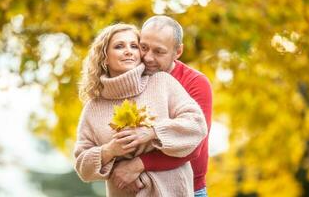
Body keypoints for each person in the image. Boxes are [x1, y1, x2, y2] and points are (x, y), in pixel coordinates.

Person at [73, 23, 208, 197]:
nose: (128, 51)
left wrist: (152, 132)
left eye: (134, 46)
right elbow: (82, 166)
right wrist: (109, 150)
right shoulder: (93, 108)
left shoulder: (162, 82)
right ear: (104, 57)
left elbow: (196, 125)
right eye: (119, 46)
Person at [110, 16, 213, 197]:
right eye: (144, 48)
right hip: (139, 189)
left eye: (159, 52)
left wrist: (138, 165)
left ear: (178, 51)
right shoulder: (133, 77)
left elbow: (194, 146)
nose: (148, 58)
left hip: (188, 189)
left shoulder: (195, 83)